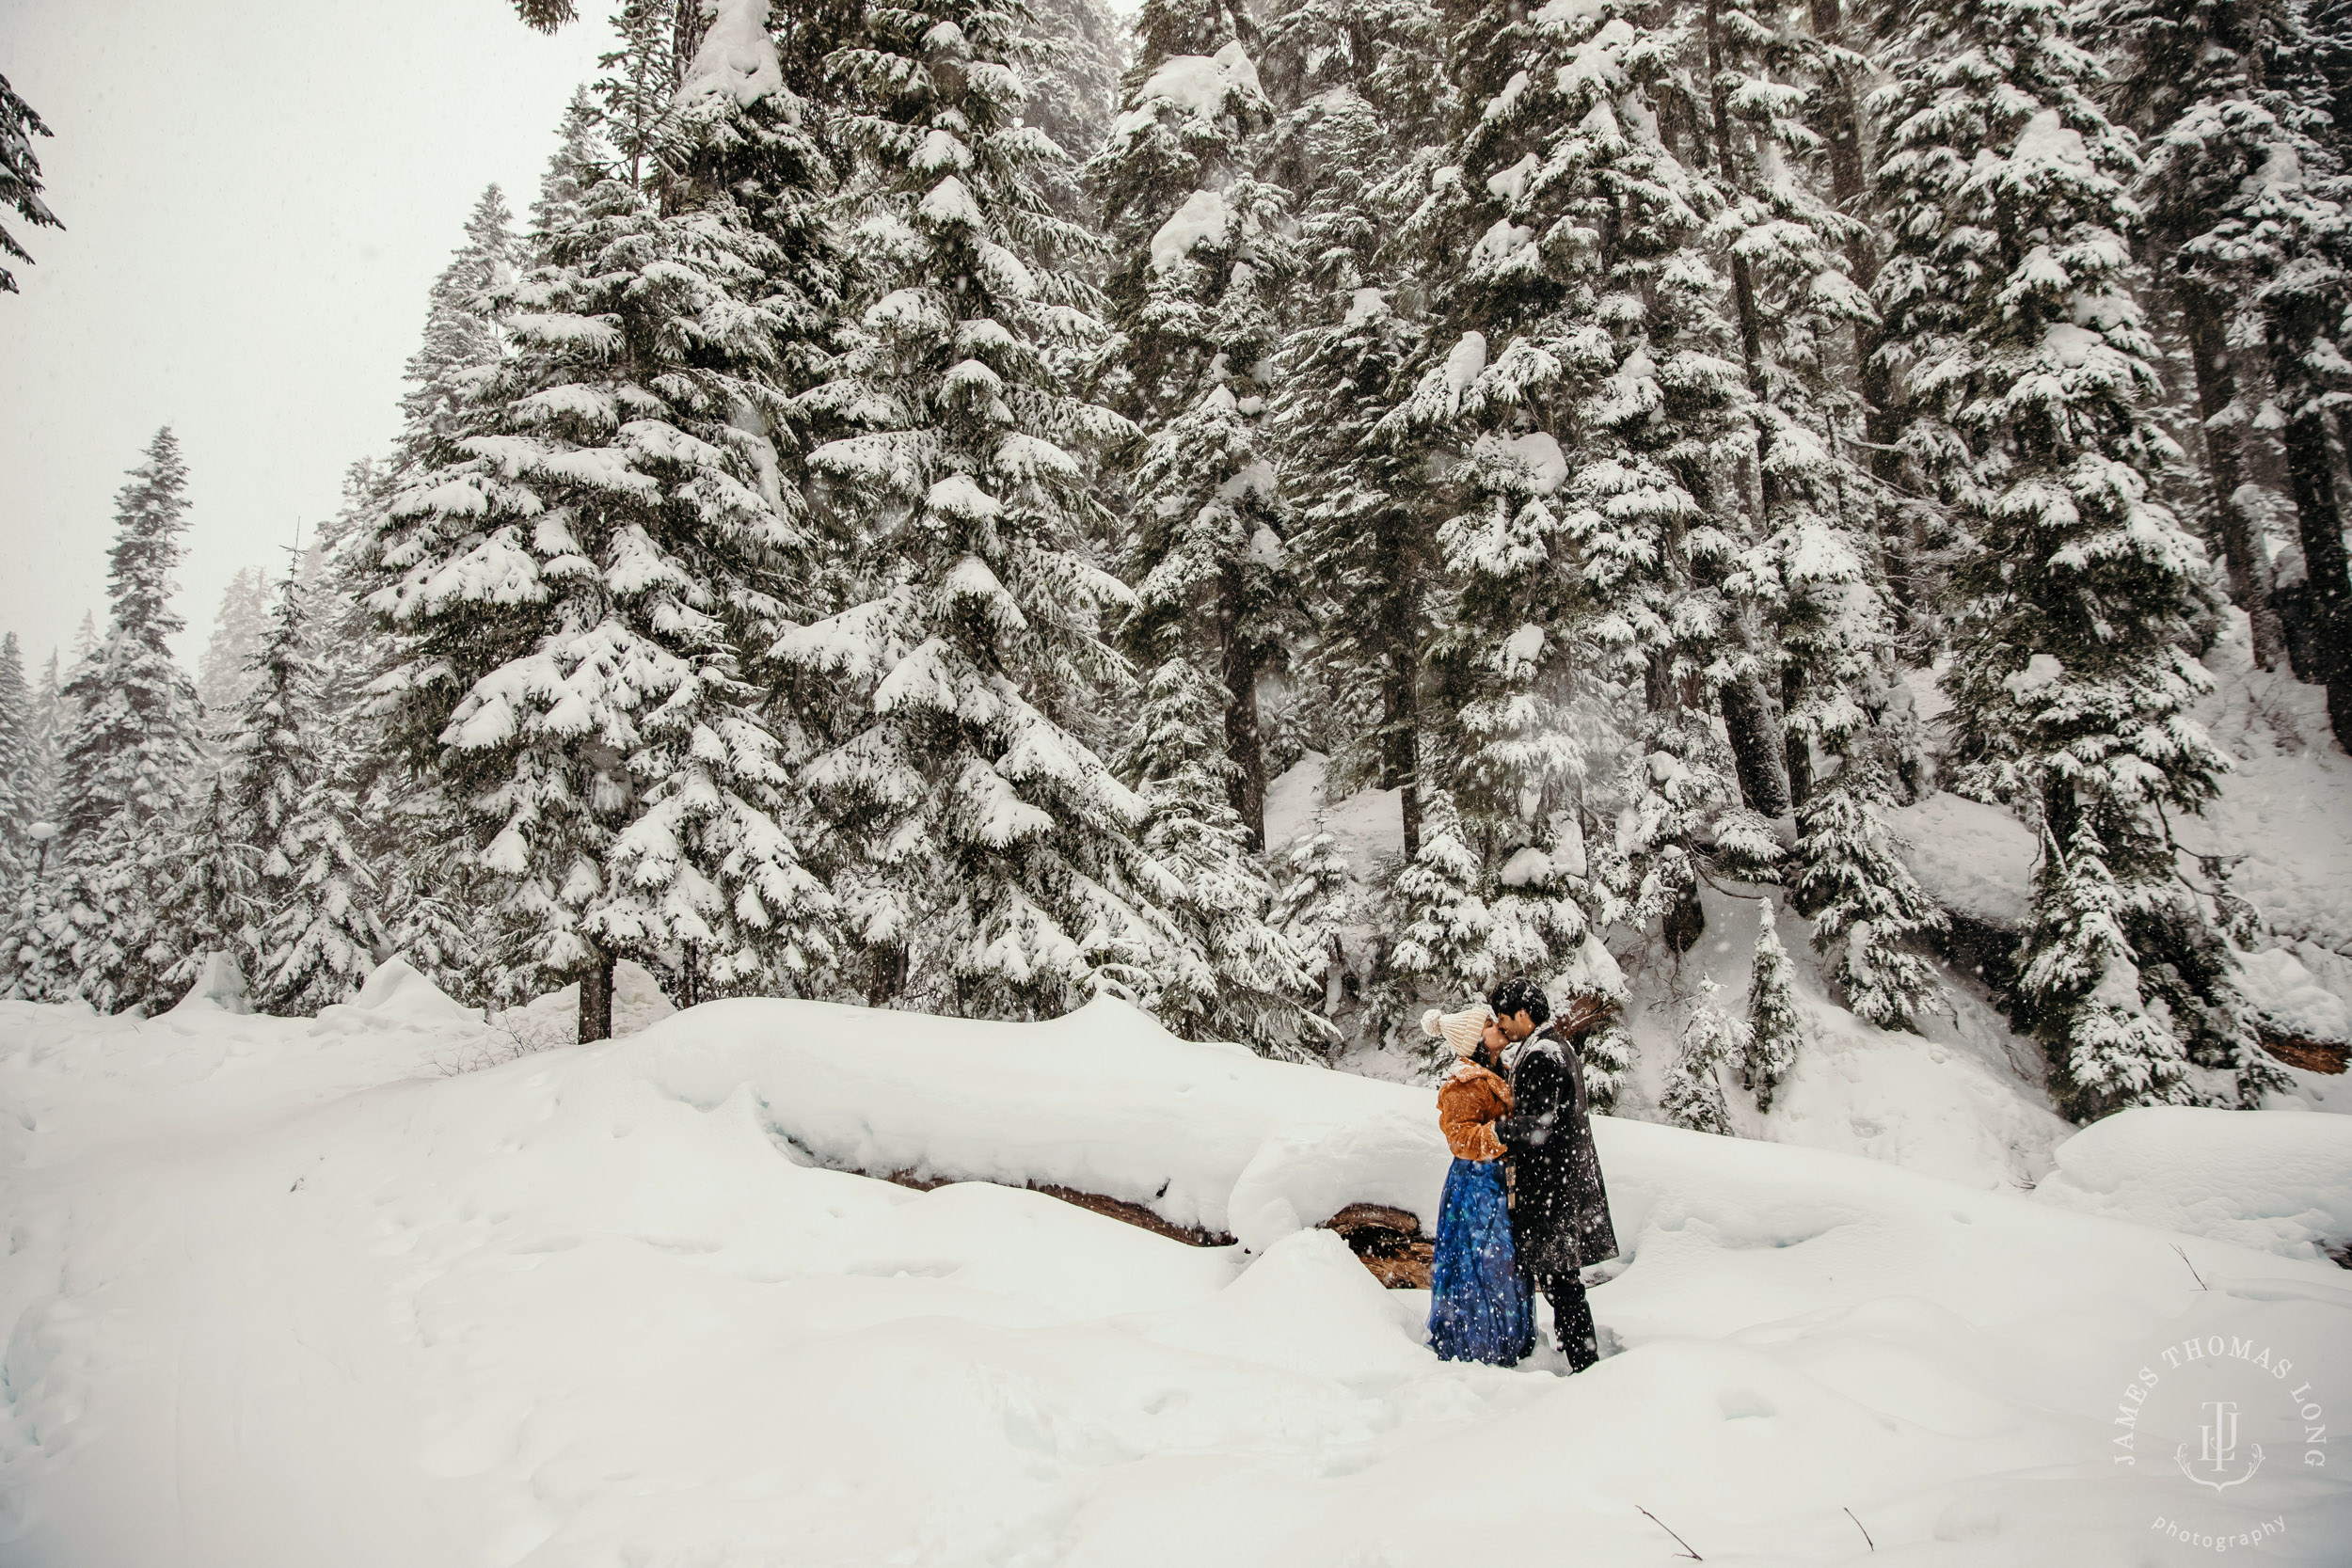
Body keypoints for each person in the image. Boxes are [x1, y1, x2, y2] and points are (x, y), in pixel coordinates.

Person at [1488, 975, 1618, 1372]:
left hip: (1550, 1190)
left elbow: (1537, 1126)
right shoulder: (1552, 1046)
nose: (1502, 1025)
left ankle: (1585, 1364)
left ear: (1523, 1014)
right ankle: (1577, 1353)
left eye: (1504, 1017)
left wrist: (1494, 1129)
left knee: (1562, 1283)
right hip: (1560, 1184)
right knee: (1562, 1282)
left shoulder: (1543, 1054)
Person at [1422, 1004, 1534, 1364]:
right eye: (1488, 1024)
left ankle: (1506, 1340)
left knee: (1503, 1262)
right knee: (1482, 1264)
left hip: (1497, 1182)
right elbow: (1460, 1139)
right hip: (1475, 1186)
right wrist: (1503, 1132)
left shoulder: (1498, 1071)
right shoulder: (1463, 1082)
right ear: (1474, 1040)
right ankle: (1477, 1346)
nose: (1496, 1024)